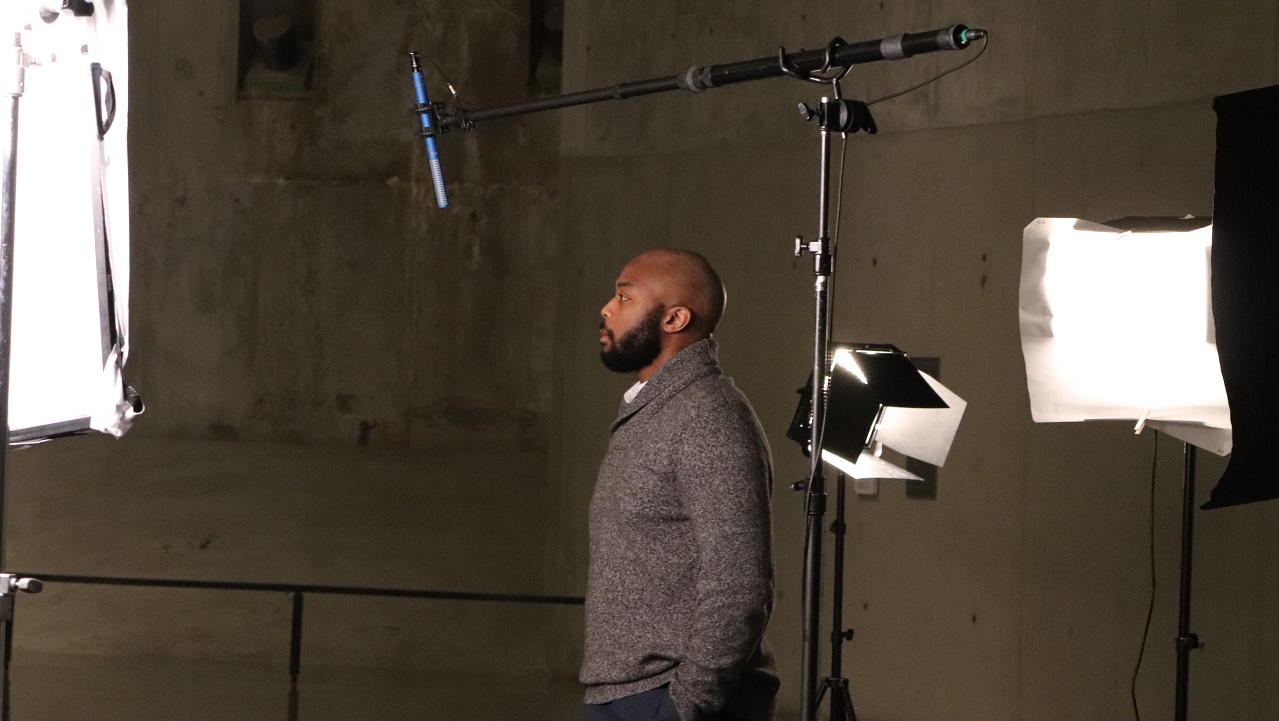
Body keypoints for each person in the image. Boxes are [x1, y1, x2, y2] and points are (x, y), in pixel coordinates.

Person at [581, 248, 778, 721]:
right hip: (626, 695)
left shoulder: (708, 416)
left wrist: (684, 706)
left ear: (674, 318)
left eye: (624, 298)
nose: (606, 309)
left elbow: (740, 585)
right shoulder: (658, 410)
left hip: (667, 699)